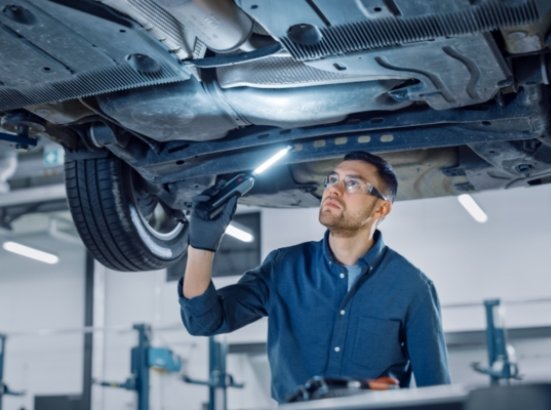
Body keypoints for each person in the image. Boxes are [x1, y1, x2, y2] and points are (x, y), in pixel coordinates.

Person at [178, 151, 451, 403]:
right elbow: (205, 321)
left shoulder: (412, 287)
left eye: (352, 183)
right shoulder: (283, 267)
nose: (334, 188)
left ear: (381, 209)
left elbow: (437, 391)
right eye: (333, 179)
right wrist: (202, 244)